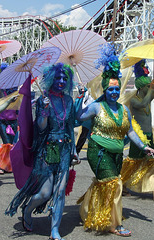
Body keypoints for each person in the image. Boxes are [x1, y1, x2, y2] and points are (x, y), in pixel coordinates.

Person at [76, 43, 154, 237]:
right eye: (110, 89)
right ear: (105, 90)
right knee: (114, 183)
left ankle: (91, 211)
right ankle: (114, 223)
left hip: (117, 154)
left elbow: (130, 133)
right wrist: (81, 100)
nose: (113, 92)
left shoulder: (123, 109)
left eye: (116, 89)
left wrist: (144, 147)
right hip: (98, 152)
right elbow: (78, 118)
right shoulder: (97, 107)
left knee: (105, 183)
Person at [5, 63, 80, 240]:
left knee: (60, 192)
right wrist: (44, 113)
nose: (61, 81)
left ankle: (55, 230)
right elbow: (40, 128)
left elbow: (69, 127)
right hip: (47, 150)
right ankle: (28, 210)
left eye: (64, 78)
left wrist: (74, 150)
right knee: (45, 193)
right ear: (51, 78)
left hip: (64, 151)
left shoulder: (69, 101)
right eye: (58, 77)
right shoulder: (42, 100)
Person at [121, 59, 154, 194]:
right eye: (147, 87)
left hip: (149, 135)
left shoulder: (148, 97)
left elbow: (149, 98)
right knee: (133, 162)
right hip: (138, 137)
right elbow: (143, 103)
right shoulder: (135, 100)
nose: (149, 89)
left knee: (152, 162)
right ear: (141, 87)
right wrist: (151, 89)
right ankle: (122, 183)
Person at [0, 62, 19, 174]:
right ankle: (2, 165)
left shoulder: (15, 86)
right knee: (7, 143)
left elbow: (19, 104)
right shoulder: (0, 86)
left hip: (13, 119)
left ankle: (7, 165)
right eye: (3, 70)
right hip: (2, 119)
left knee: (11, 144)